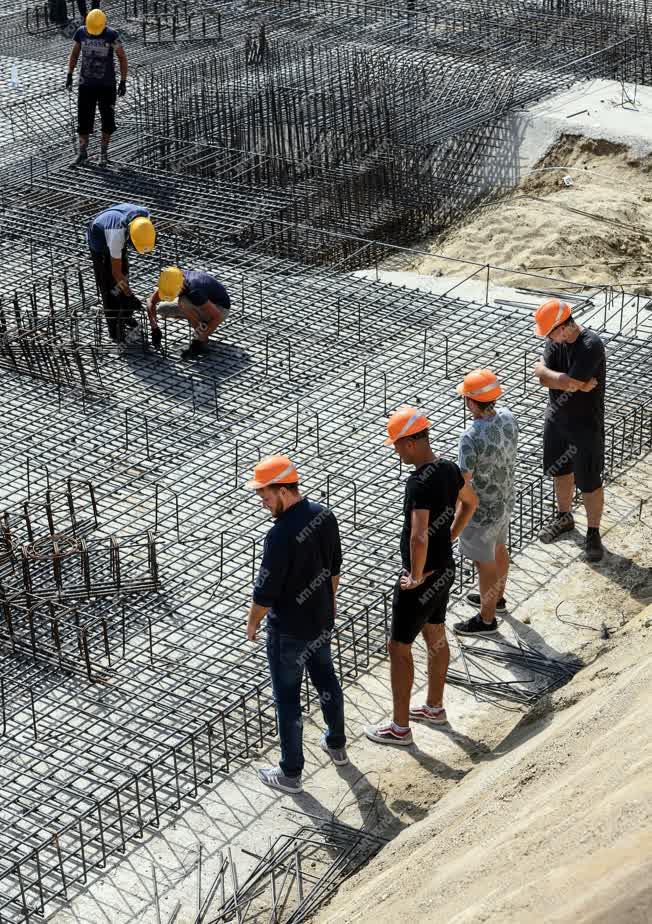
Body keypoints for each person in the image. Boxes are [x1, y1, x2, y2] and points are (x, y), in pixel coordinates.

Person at [365, 407, 477, 746]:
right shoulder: (449, 469)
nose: (396, 451)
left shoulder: (418, 482)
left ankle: (399, 728)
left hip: (423, 576)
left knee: (398, 647)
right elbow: (470, 503)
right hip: (445, 570)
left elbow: (418, 535)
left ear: (412, 442)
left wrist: (414, 576)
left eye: (398, 445)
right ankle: (434, 707)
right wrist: (451, 536)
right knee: (436, 635)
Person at [245, 455, 347, 793]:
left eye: (265, 494)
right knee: (326, 679)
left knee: (287, 698)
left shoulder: (279, 536)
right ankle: (336, 742)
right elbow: (334, 569)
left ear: (284, 490)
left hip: (288, 631)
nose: (262, 502)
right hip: (320, 621)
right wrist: (325, 609)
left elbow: (265, 592)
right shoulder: (324, 516)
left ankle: (290, 773)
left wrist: (252, 624)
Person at [532, 299, 606, 562]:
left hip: (586, 425)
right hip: (556, 420)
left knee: (589, 481)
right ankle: (564, 518)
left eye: (551, 332)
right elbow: (541, 376)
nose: (548, 339)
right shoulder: (555, 341)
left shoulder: (590, 345)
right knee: (560, 471)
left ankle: (593, 532)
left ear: (563, 327)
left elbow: (569, 382)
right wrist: (565, 381)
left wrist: (562, 380)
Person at [452, 370, 519, 636]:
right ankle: (496, 599)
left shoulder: (470, 436)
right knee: (499, 547)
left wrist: (456, 515)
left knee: (484, 562)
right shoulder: (508, 417)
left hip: (481, 511)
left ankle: (487, 619)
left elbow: (463, 482)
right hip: (504, 499)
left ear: (470, 401)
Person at [66, 8, 127, 168]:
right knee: (83, 120)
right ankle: (82, 153)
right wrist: (69, 74)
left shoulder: (112, 35)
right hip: (86, 85)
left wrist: (123, 81)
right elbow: (74, 54)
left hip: (106, 86)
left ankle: (103, 155)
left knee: (107, 120)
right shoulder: (81, 32)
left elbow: (121, 57)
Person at [87, 203, 155, 343]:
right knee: (109, 286)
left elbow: (122, 274)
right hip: (99, 239)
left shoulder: (145, 217)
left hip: (119, 231)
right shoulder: (116, 235)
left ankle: (125, 316)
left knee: (124, 276)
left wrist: (126, 292)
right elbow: (116, 272)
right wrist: (130, 295)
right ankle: (114, 329)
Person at [147, 266, 231, 359]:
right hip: (200, 303)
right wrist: (154, 327)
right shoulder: (172, 279)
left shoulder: (194, 291)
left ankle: (203, 339)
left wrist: (198, 340)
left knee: (184, 302)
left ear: (180, 287)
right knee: (162, 309)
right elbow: (151, 301)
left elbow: (217, 317)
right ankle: (197, 320)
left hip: (219, 309)